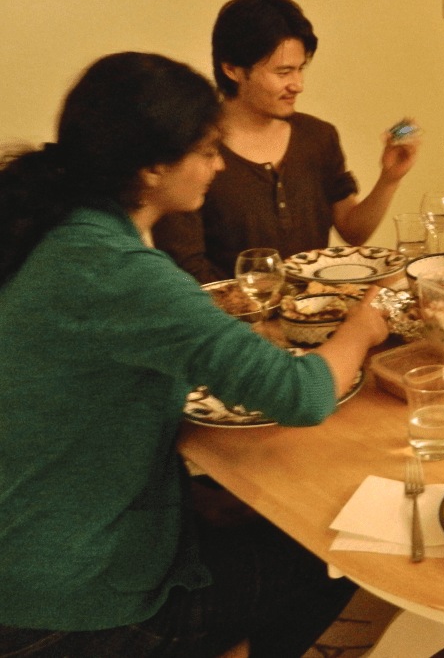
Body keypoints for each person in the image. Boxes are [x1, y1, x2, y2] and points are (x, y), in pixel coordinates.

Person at [0, 52, 389, 657]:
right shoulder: (122, 272)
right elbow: (304, 394)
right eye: (208, 150)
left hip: (27, 551)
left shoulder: (50, 227)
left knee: (244, 515)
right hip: (76, 607)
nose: (217, 166)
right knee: (329, 549)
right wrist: (364, 327)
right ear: (153, 166)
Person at [153, 0, 420, 283]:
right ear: (232, 70)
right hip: (236, 322)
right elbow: (188, 273)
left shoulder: (319, 136)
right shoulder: (191, 150)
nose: (298, 85)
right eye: (284, 72)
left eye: (301, 69)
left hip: (319, 309)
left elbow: (353, 233)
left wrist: (389, 179)